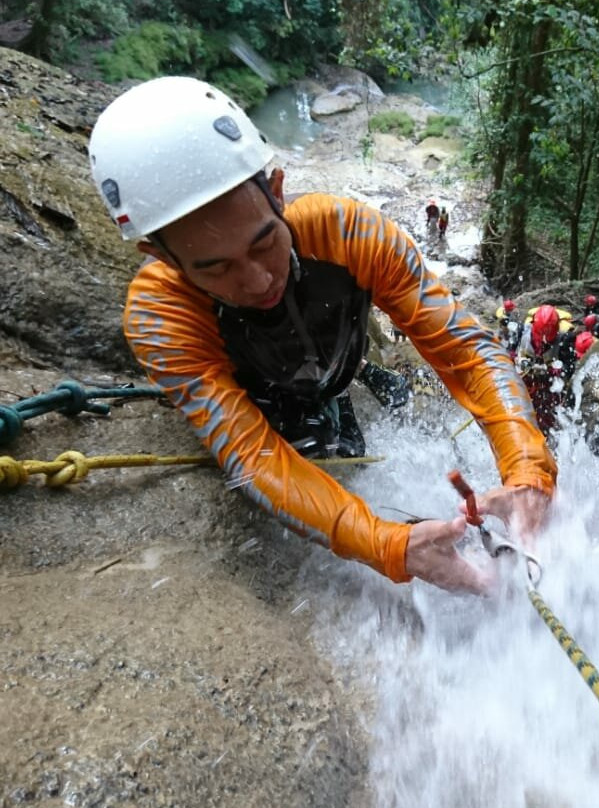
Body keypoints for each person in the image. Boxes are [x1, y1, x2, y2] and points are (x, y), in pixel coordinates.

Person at [89, 76, 556, 594]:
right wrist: (388, 545)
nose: (258, 279)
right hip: (262, 398)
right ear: (162, 258)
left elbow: (466, 352)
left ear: (279, 192)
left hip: (337, 377)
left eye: (264, 242)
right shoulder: (161, 316)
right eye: (216, 268)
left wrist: (528, 473)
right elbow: (252, 455)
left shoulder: (353, 234)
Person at [517, 305, 578, 432]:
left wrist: (552, 370)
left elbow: (570, 368)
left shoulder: (566, 338)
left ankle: (545, 434)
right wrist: (522, 362)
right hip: (529, 375)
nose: (543, 339)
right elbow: (515, 353)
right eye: (540, 335)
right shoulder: (524, 330)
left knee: (548, 413)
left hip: (551, 384)